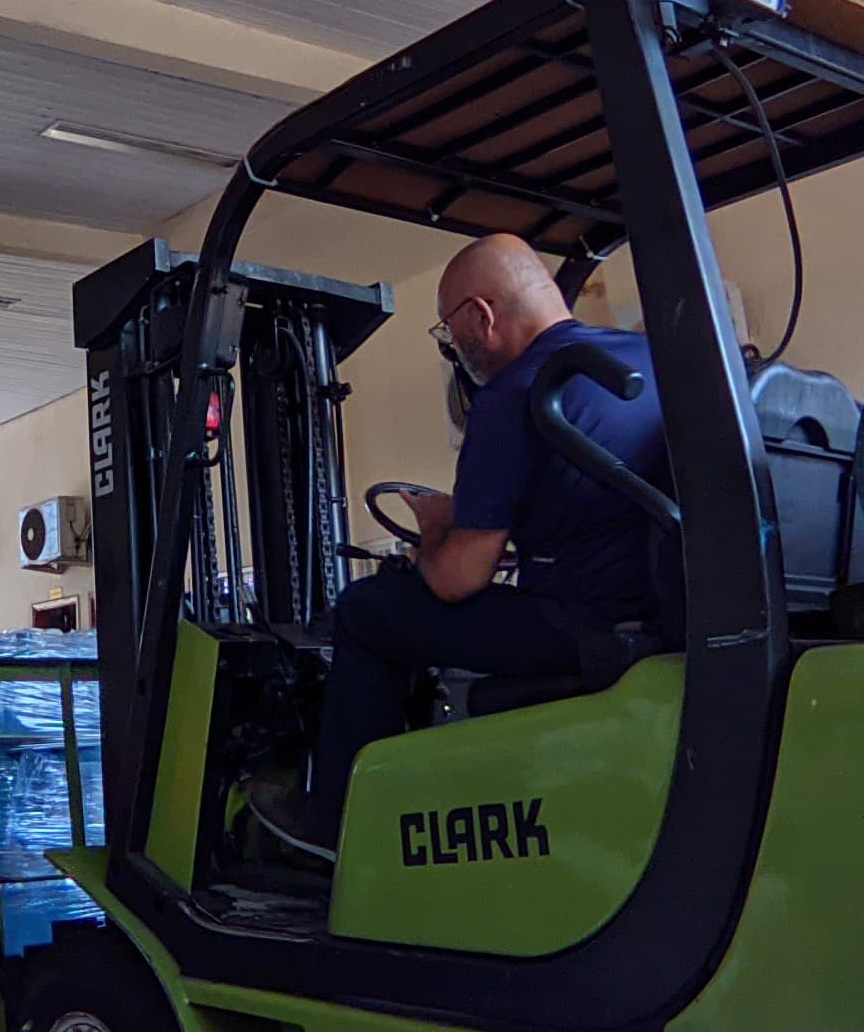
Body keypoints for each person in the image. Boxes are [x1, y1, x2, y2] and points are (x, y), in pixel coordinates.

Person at [253, 232, 667, 860]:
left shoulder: (517, 392)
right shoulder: (646, 361)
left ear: (482, 314)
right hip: (658, 609)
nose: (453, 345)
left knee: (369, 611)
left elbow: (455, 581)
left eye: (449, 328)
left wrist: (436, 529)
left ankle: (337, 827)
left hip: (584, 624)